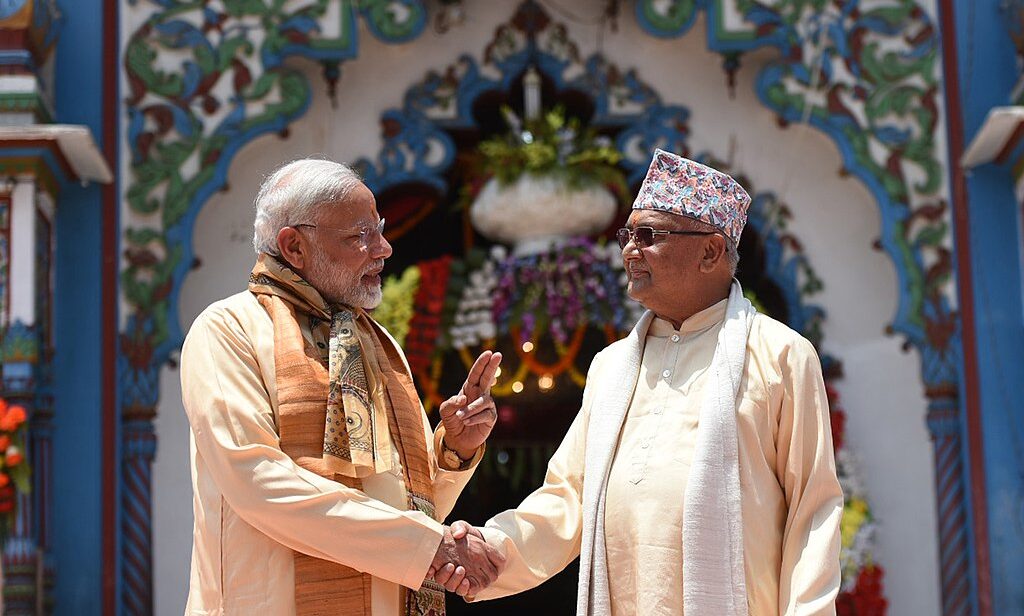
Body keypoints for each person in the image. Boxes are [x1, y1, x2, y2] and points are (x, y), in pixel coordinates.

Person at [438, 149, 844, 615]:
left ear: (710, 251)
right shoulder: (611, 366)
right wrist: (494, 548)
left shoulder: (781, 355)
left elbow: (812, 510)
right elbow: (569, 497)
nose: (631, 249)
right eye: (627, 235)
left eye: (649, 235)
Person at [180, 158, 505, 615]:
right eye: (360, 236)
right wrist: (428, 547)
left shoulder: (376, 343)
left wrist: (453, 453)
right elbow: (257, 482)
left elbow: (404, 504)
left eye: (380, 229)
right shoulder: (228, 330)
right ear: (294, 246)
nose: (385, 249)